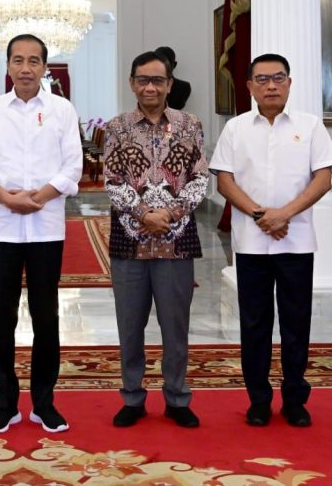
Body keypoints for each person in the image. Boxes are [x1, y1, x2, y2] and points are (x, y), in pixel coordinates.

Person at [210, 53, 332, 428]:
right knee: (254, 324)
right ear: (250, 86)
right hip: (252, 244)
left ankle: (295, 399)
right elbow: (225, 181)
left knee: (296, 323)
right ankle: (259, 400)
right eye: (262, 79)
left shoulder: (310, 126)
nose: (271, 86)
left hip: (295, 241)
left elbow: (323, 179)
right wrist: (260, 215)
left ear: (289, 83)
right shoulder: (235, 128)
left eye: (278, 78)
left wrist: (284, 214)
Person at [0, 33, 84, 434]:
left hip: (45, 227)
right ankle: (6, 404)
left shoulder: (62, 110)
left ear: (44, 67)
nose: (25, 68)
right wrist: (7, 198)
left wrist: (40, 196)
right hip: (1, 227)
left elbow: (73, 166)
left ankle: (43, 404)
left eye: (34, 61)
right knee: (1, 319)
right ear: (7, 66)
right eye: (17, 60)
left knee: (46, 317)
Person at [104, 50, 209, 429]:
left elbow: (200, 178)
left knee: (175, 326)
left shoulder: (189, 125)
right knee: (130, 326)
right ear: (132, 84)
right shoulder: (117, 127)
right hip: (129, 242)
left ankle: (177, 398)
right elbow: (112, 181)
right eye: (143, 80)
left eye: (158, 81)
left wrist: (171, 214)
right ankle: (132, 397)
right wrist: (143, 214)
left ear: (169, 84)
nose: (150, 87)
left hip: (176, 242)